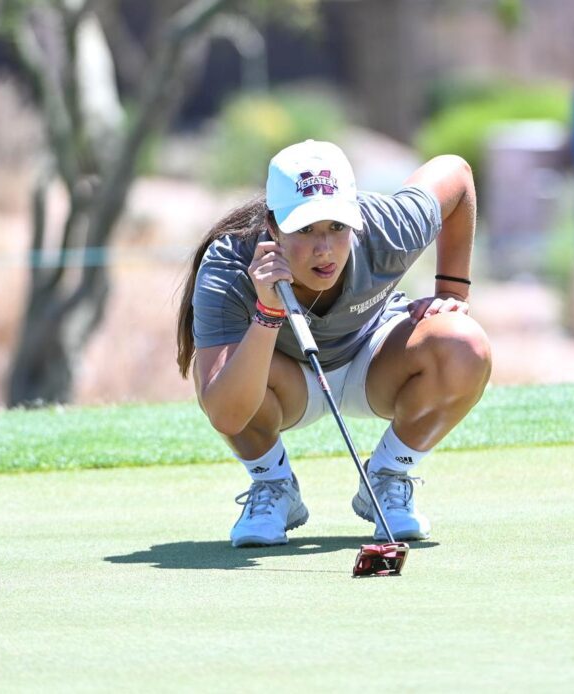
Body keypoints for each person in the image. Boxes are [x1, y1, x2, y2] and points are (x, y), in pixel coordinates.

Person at [175, 140, 492, 547]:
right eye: (305, 230)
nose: (324, 249)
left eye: (337, 227)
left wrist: (454, 292)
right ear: (272, 228)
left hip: (374, 358)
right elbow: (225, 412)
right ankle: (274, 486)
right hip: (287, 380)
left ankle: (387, 476)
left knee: (465, 343)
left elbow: (456, 173)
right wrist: (268, 311)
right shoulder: (230, 264)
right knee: (223, 373)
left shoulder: (384, 228)